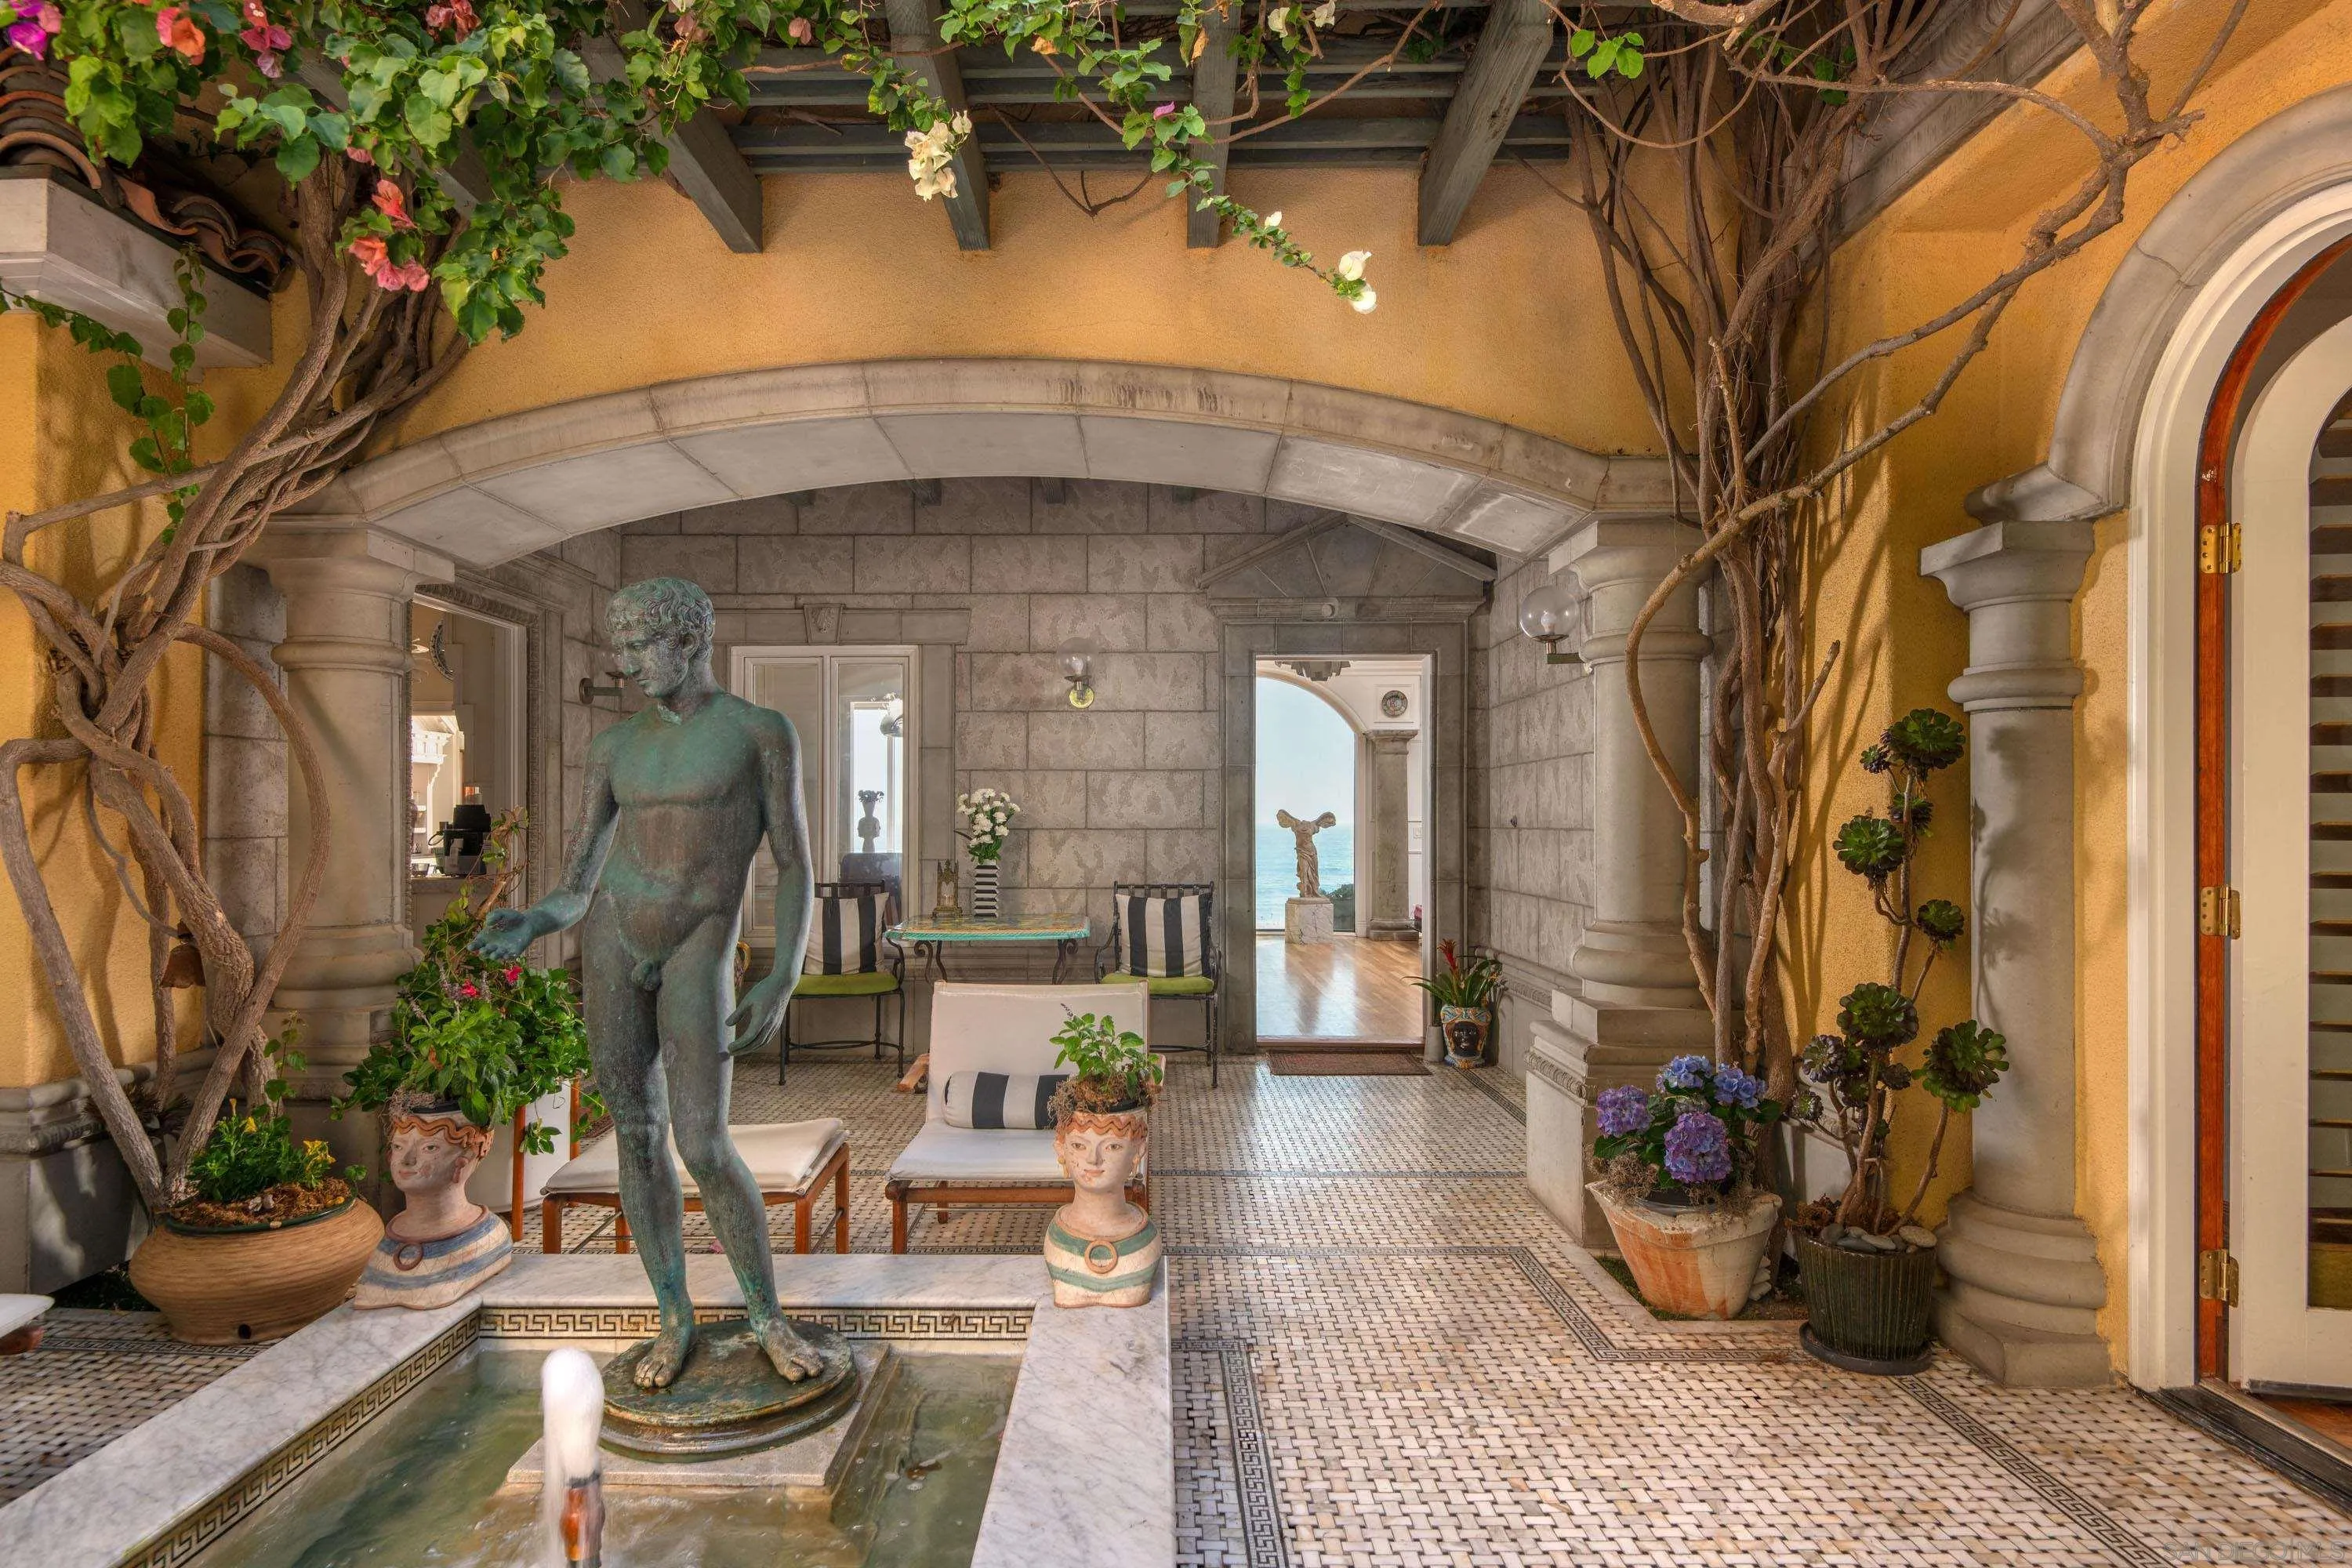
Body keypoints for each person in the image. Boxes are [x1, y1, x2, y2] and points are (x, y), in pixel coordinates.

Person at [474, 577, 817, 1389]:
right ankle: (675, 1314)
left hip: (700, 942)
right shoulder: (615, 747)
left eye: (639, 646)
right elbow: (577, 881)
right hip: (612, 938)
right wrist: (536, 920)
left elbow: (797, 864)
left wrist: (784, 971)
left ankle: (767, 1315)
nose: (626, 665)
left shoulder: (759, 732)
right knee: (633, 1131)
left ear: (690, 639)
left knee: (701, 1140)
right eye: (620, 647)